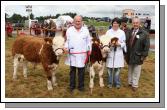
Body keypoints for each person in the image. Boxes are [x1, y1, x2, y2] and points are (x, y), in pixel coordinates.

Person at [64, 15, 91, 92]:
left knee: (81, 71)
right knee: (72, 71)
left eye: (79, 21)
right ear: (73, 22)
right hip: (72, 54)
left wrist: (89, 49)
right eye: (76, 21)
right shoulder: (69, 30)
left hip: (82, 55)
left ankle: (81, 86)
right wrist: (66, 47)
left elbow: (88, 41)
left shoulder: (86, 30)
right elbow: (67, 41)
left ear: (82, 22)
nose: (78, 22)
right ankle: (72, 86)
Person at [125, 17, 150, 91]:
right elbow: (126, 42)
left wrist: (144, 55)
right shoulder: (129, 31)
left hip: (138, 55)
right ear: (132, 23)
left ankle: (135, 85)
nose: (135, 24)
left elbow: (147, 46)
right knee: (130, 69)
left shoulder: (144, 33)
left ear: (139, 23)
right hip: (129, 54)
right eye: (134, 23)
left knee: (136, 70)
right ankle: (130, 82)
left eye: (137, 23)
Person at [105, 17, 126, 89]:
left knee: (117, 70)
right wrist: (109, 44)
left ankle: (117, 83)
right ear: (112, 24)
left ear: (119, 24)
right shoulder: (108, 32)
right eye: (114, 23)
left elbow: (124, 43)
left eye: (117, 23)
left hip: (118, 53)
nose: (115, 24)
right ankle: (110, 83)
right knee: (109, 69)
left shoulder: (122, 32)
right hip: (110, 52)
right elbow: (106, 42)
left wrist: (119, 44)